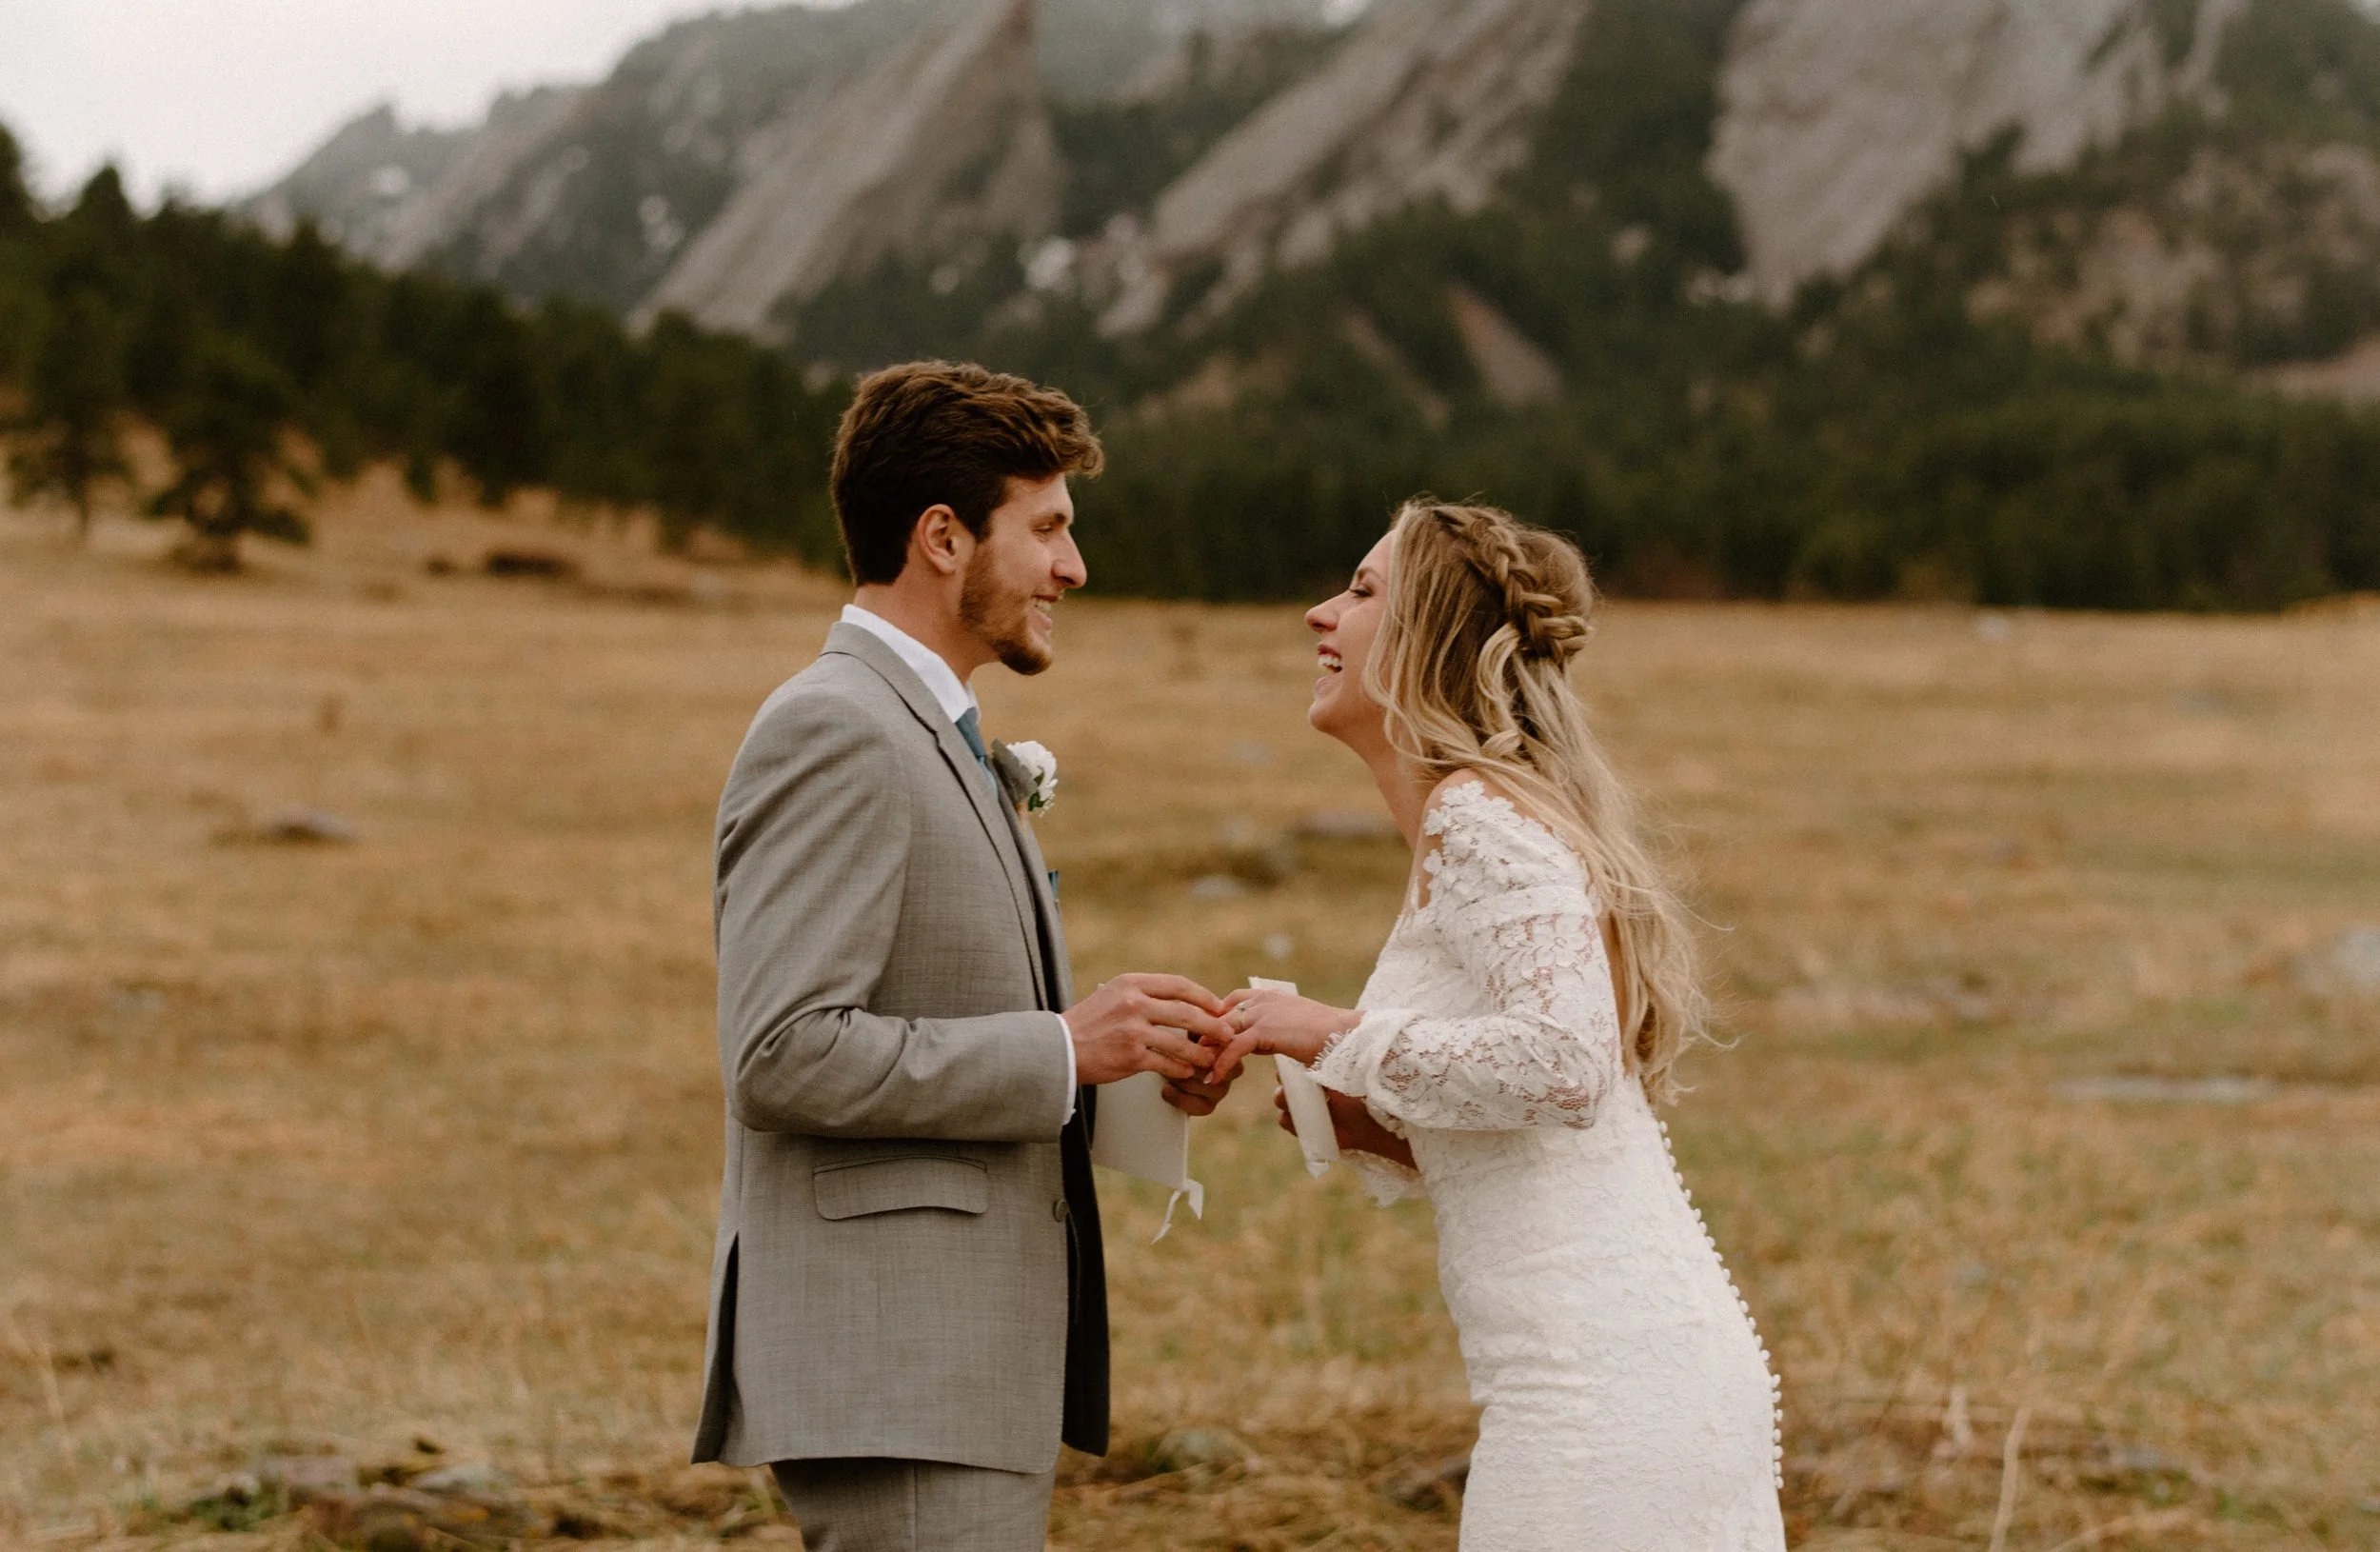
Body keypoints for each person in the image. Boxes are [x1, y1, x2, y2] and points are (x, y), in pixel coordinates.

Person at [690, 360, 1236, 1552]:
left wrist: (1123, 1068)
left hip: (949, 1372)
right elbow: (781, 1053)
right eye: (1045, 529)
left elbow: (934, 1011)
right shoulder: (837, 726)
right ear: (942, 537)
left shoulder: (927, 727)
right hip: (898, 1368)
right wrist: (1059, 1047)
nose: (1072, 568)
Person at [1203, 499, 1788, 1550]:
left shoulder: (1476, 819)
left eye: (1362, 591)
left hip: (1596, 1388)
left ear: (1426, 639)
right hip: (1630, 1368)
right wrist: (1339, 1106)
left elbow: (1566, 1066)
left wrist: (1324, 1030)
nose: (1319, 613)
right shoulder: (1470, 821)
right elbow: (1527, 1137)